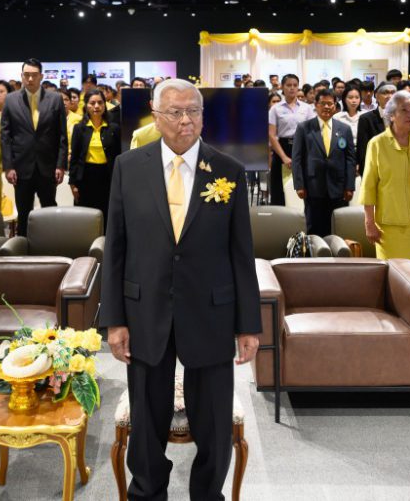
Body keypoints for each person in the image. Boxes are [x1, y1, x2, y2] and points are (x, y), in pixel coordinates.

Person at [100, 78, 261, 501]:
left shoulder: (228, 170)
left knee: (212, 419)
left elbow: (242, 254)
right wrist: (114, 319)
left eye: (193, 111)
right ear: (155, 117)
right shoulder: (128, 167)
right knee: (147, 417)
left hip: (210, 310)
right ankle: (148, 492)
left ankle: (208, 494)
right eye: (175, 112)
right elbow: (115, 248)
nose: (185, 120)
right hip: (144, 309)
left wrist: (249, 325)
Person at [361, 91, 410, 261]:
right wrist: (369, 222)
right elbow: (368, 186)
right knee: (391, 274)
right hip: (387, 227)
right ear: (392, 115)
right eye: (404, 110)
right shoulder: (377, 143)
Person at [0, 60, 68, 236]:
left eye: (34, 75)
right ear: (22, 76)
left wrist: (60, 165)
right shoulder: (11, 99)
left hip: (48, 166)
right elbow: (5, 136)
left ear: (41, 76)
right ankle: (24, 250)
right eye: (26, 75)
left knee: (50, 210)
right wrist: (8, 166)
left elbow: (62, 135)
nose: (30, 79)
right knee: (23, 213)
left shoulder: (55, 99)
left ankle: (52, 245)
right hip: (21, 167)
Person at [292, 88, 356, 236]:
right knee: (314, 226)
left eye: (330, 104)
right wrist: (299, 185)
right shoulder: (304, 128)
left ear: (335, 106)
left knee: (338, 226)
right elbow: (297, 158)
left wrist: (350, 186)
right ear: (316, 105)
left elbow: (350, 159)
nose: (327, 107)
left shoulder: (344, 129)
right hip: (313, 186)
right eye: (323, 103)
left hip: (338, 187)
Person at [69, 88, 121, 220]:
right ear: (86, 105)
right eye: (92, 103)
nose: (96, 106)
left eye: (100, 102)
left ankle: (105, 240)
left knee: (107, 214)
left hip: (107, 177)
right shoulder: (79, 128)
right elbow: (74, 158)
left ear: (105, 105)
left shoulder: (114, 128)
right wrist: (73, 184)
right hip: (85, 177)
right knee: (86, 216)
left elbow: (119, 156)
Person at [267, 73, 315, 206]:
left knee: (303, 187)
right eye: (288, 85)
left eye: (295, 85)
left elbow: (312, 132)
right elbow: (271, 135)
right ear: (282, 87)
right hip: (282, 148)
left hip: (302, 148)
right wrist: (284, 157)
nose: (292, 88)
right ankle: (281, 222)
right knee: (279, 189)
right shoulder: (275, 109)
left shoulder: (307, 108)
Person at [356, 82, 396, 177]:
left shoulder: (402, 118)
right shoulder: (366, 119)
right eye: (385, 93)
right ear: (377, 96)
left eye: (393, 93)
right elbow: (363, 150)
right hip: (375, 170)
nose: (389, 96)